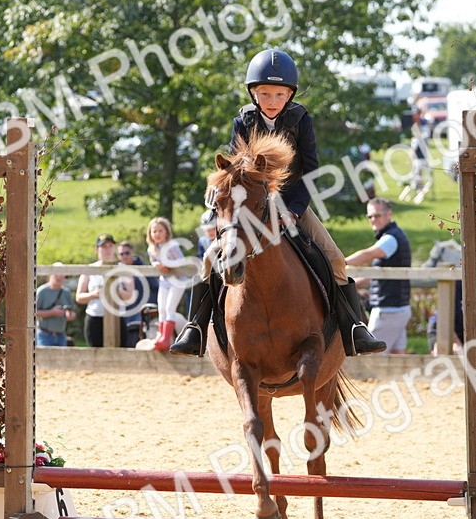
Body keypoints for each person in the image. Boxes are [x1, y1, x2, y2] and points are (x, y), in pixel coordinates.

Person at [170, 48, 385, 357]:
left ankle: (355, 330)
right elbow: (235, 168)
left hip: (292, 202)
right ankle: (195, 330)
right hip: (250, 208)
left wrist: (294, 211)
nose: (272, 100)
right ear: (254, 94)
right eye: (265, 93)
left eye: (279, 94)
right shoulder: (244, 120)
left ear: (289, 95)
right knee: (209, 260)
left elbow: (310, 171)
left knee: (335, 258)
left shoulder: (300, 119)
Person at [346, 198, 412, 354]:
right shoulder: (393, 236)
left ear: (389, 214)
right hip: (398, 308)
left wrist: (340, 261)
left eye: (377, 215)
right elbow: (379, 275)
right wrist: (353, 283)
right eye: (370, 216)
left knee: (370, 358)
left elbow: (369, 254)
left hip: (388, 310)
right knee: (397, 359)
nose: (373, 220)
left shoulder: (390, 239)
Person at [75, 234, 134, 348]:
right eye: (103, 247)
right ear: (97, 249)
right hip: (95, 316)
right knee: (95, 354)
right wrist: (93, 294)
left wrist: (116, 290)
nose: (107, 250)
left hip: (117, 316)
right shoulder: (89, 269)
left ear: (114, 248)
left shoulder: (124, 269)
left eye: (110, 246)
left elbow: (130, 296)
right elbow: (79, 297)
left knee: (119, 354)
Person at [146, 218, 190, 350]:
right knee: (162, 309)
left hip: (177, 280)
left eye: (160, 231)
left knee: (170, 308)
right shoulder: (152, 249)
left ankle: (166, 338)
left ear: (166, 232)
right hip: (164, 281)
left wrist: (168, 265)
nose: (157, 234)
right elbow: (154, 261)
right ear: (150, 234)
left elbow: (181, 262)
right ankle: (161, 336)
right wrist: (156, 264)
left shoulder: (172, 246)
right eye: (154, 231)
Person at [34, 263, 77, 347]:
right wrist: (52, 312)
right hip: (44, 335)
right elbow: (32, 313)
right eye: (56, 273)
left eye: (62, 273)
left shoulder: (67, 293)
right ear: (50, 274)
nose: (59, 276)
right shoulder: (41, 292)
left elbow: (73, 313)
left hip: (61, 335)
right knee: (44, 360)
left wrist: (69, 315)